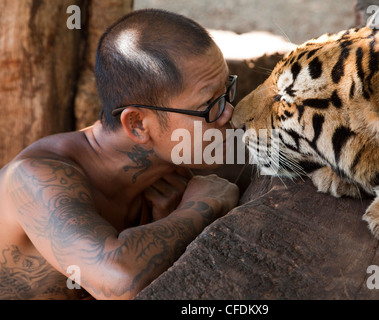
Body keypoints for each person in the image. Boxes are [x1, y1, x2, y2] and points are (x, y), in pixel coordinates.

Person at [0, 9, 240, 300]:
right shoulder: (34, 177)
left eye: (228, 90)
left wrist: (169, 222)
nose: (229, 113)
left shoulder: (168, 175)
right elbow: (118, 281)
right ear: (137, 124)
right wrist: (201, 207)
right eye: (209, 105)